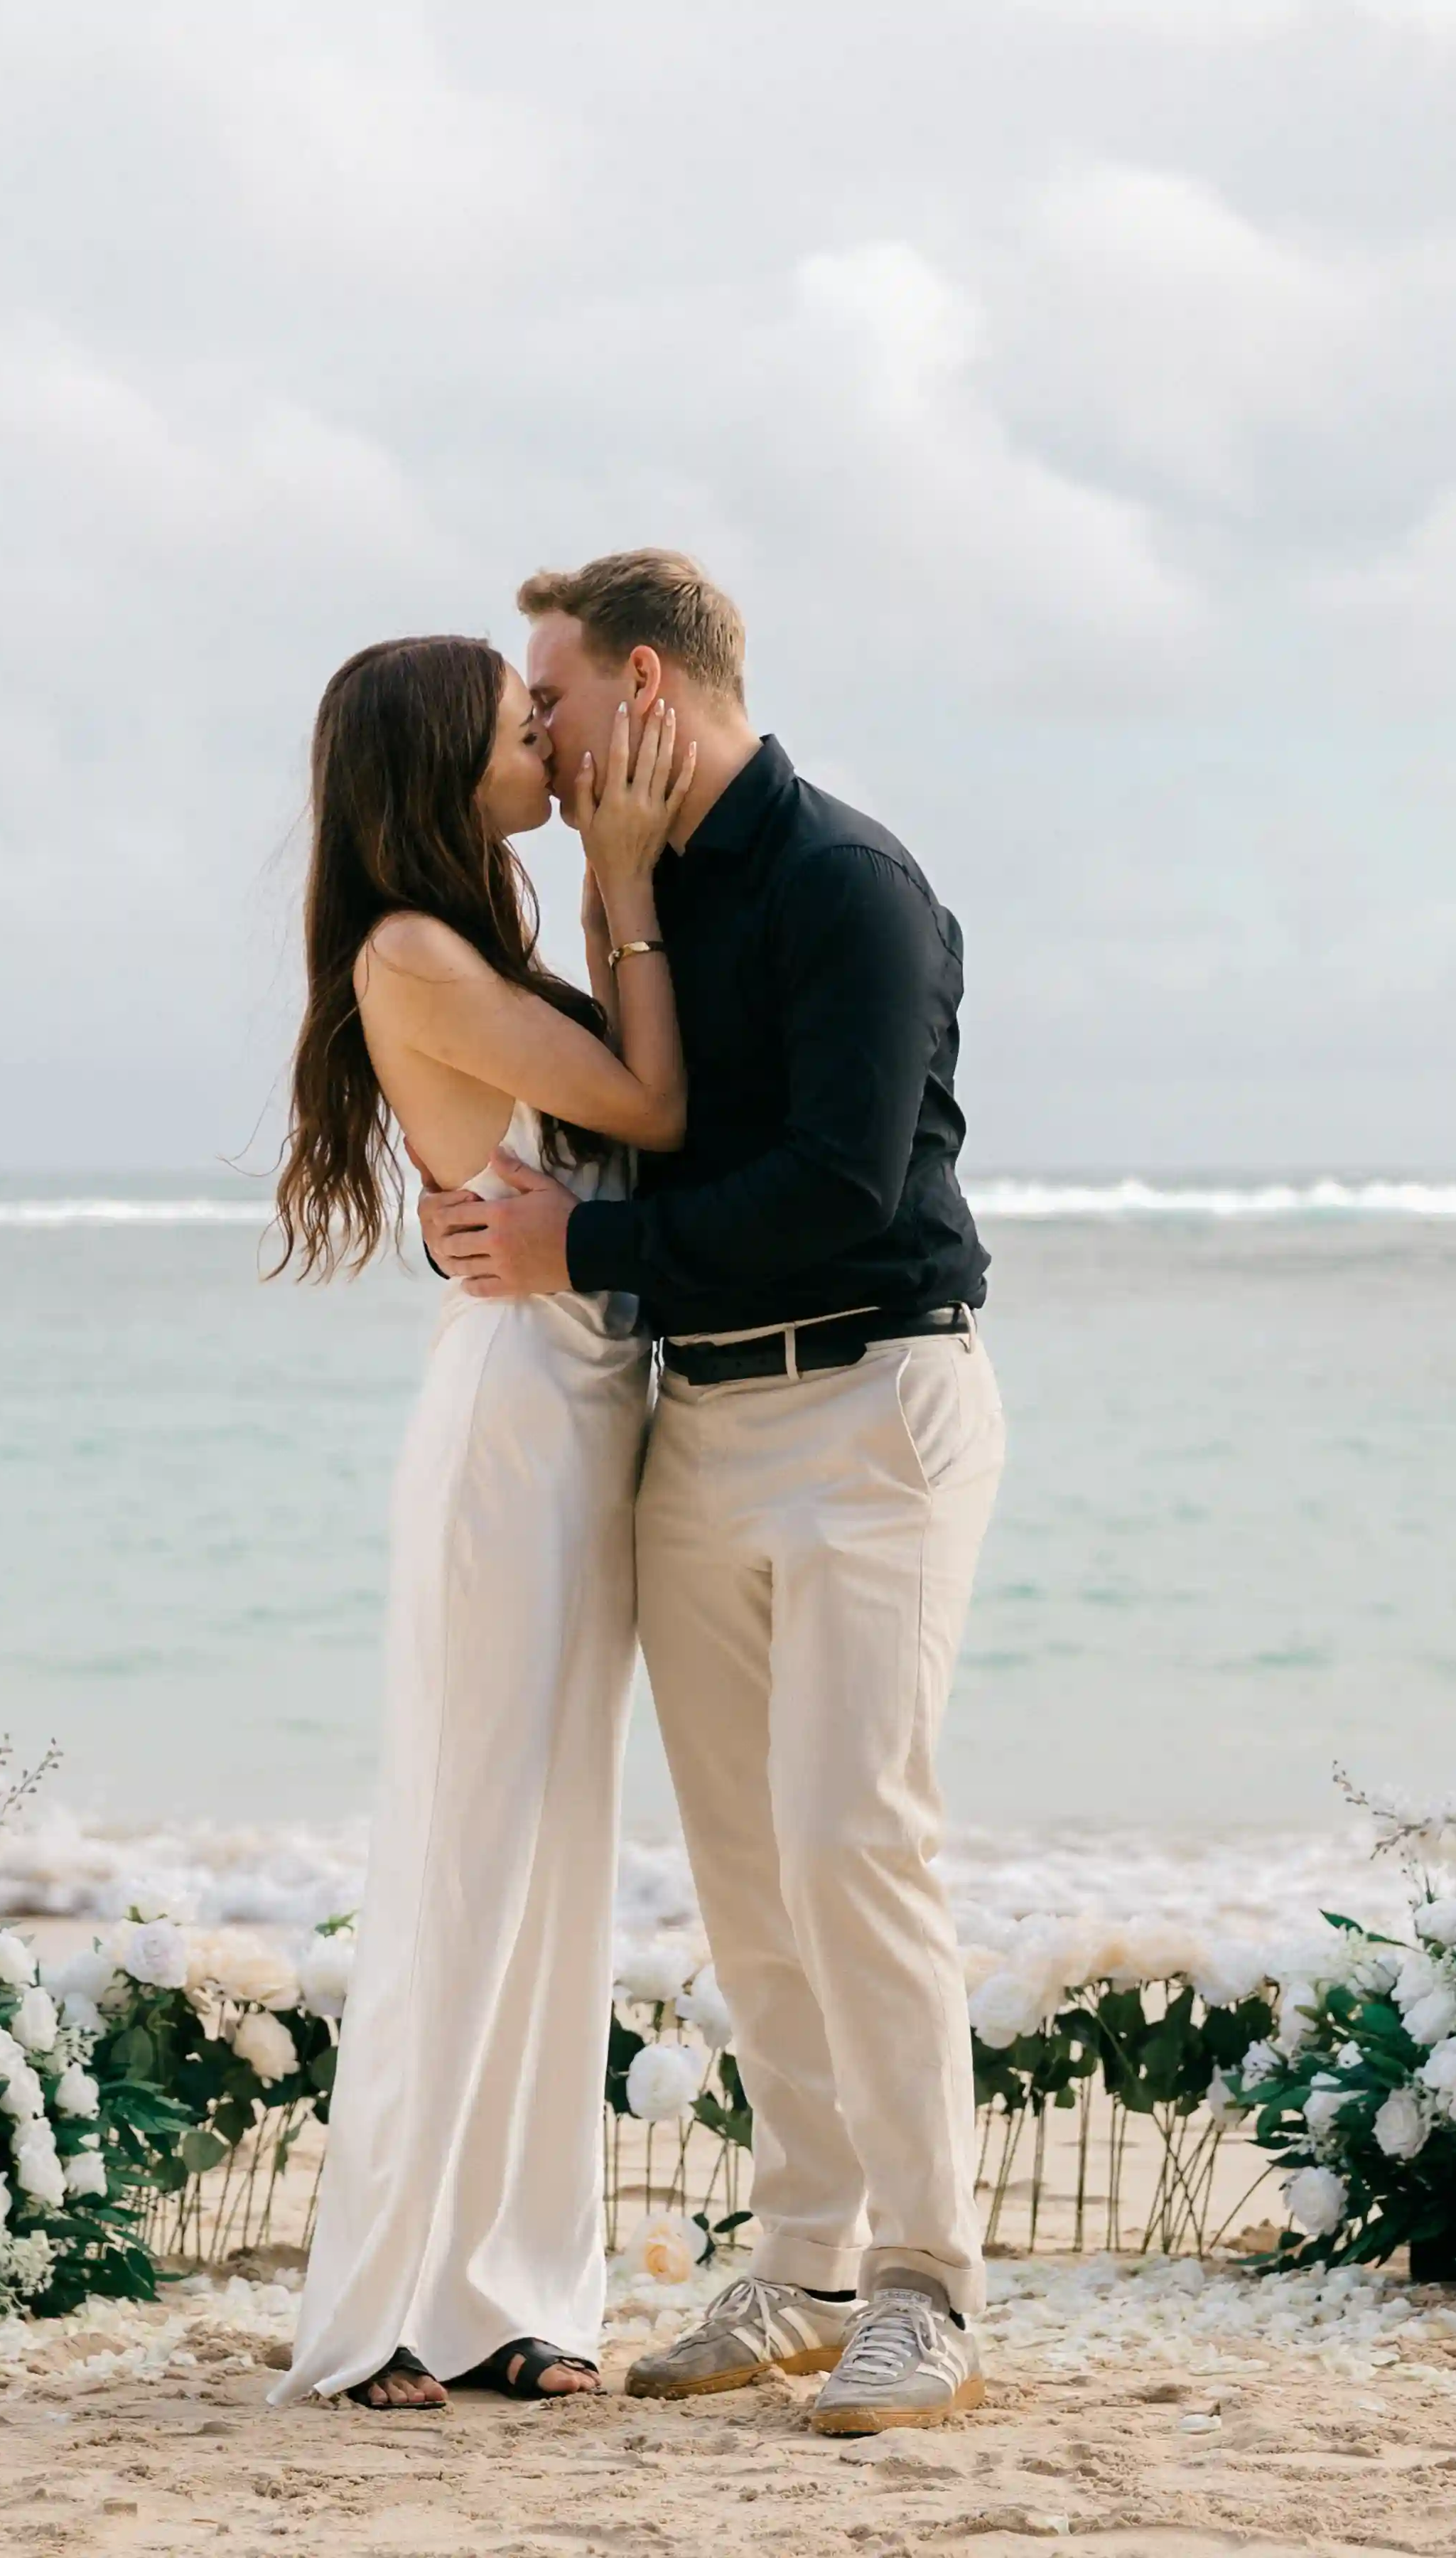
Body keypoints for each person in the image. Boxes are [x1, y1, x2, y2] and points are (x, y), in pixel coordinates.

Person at [426, 549, 1008, 2436]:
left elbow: (842, 1185)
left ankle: (927, 2286)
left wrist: (579, 1243)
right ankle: (806, 2255)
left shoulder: (853, 881)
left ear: (650, 685)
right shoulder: (640, 890)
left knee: (856, 1835)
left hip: (876, 1406)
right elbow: (635, 1104)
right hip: (700, 1423)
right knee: (749, 1874)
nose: (537, 731)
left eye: (555, 697)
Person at [262, 633, 701, 2412]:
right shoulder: (413, 949)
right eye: (516, 720)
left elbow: (624, 1140)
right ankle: (382, 2309)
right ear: (439, 766)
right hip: (515, 1424)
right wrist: (621, 875)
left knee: (557, 1860)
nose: (548, 728)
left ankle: (510, 2292)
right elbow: (654, 1103)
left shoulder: (479, 943)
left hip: (577, 1408)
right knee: (466, 1853)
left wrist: (601, 894)